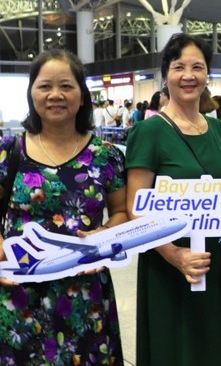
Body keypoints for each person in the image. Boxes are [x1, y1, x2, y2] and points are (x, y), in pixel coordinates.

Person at [0, 49, 127, 365]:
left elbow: (122, 213)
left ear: (82, 96)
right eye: (45, 86)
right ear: (32, 94)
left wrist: (103, 238)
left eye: (66, 86)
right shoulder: (8, 152)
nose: (55, 95)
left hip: (85, 297)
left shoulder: (105, 156)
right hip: (18, 295)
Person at [125, 33, 221, 366]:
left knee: (215, 347)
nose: (189, 75)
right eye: (179, 67)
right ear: (166, 75)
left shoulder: (216, 129)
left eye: (197, 67)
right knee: (175, 350)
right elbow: (135, 209)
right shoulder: (149, 131)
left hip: (214, 263)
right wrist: (174, 255)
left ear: (207, 75)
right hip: (169, 266)